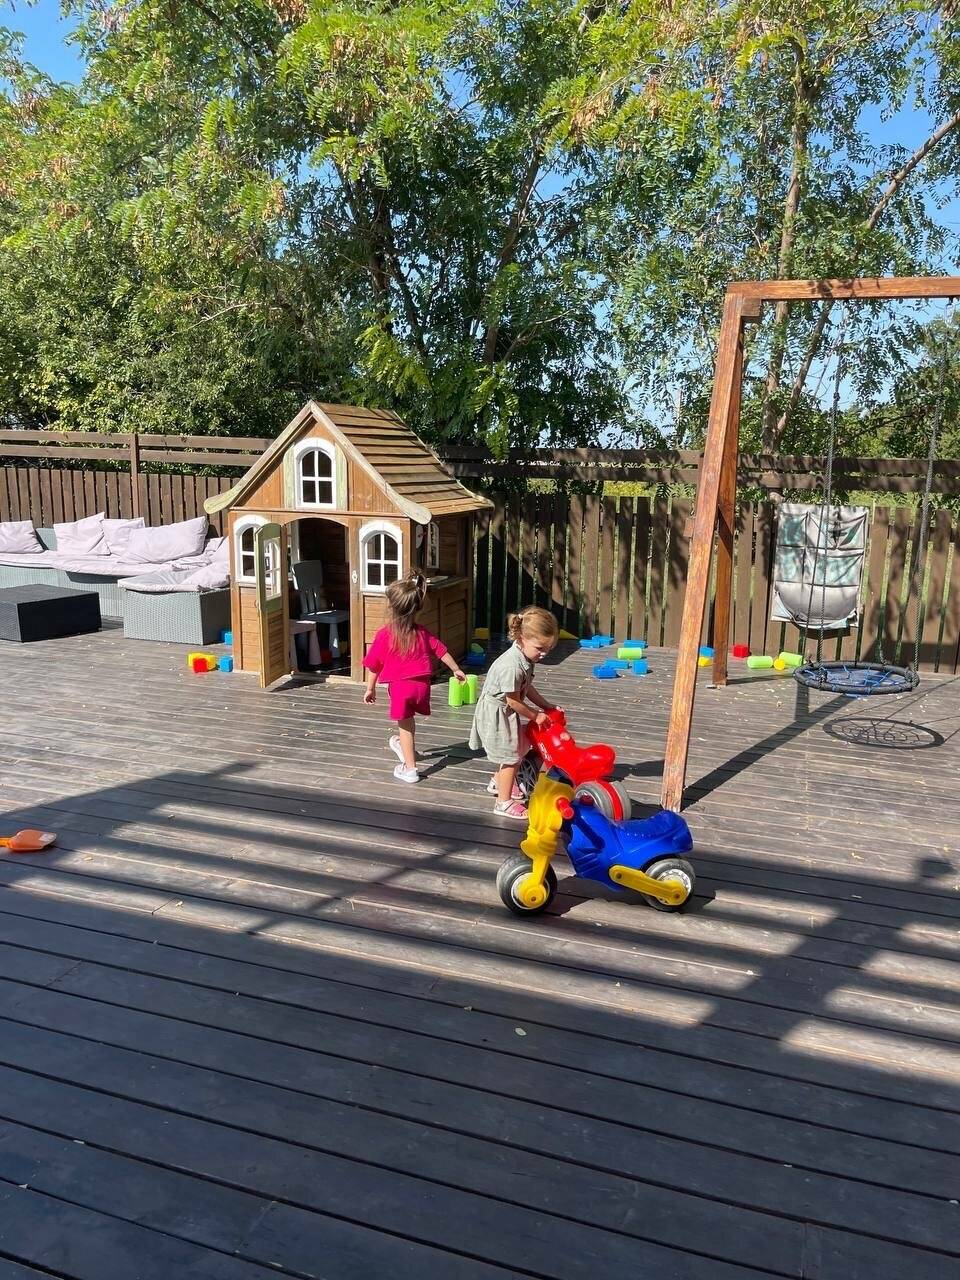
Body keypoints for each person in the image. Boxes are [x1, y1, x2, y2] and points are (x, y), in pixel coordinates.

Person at [363, 571, 466, 783]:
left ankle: (410, 769)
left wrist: (370, 689)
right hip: (422, 687)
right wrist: (456, 669)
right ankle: (406, 748)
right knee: (409, 723)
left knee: (404, 726)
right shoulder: (421, 632)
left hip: (401, 688)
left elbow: (373, 665)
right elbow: (441, 651)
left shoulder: (385, 634)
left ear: (391, 607)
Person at [469, 606, 559, 818]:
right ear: (521, 638)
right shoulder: (512, 666)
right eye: (540, 648)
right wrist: (536, 715)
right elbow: (514, 701)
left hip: (505, 710)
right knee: (511, 756)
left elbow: (526, 688)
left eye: (548, 649)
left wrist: (546, 705)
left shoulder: (526, 657)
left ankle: (498, 782)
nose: (544, 654)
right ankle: (503, 803)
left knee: (512, 749)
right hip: (497, 713)